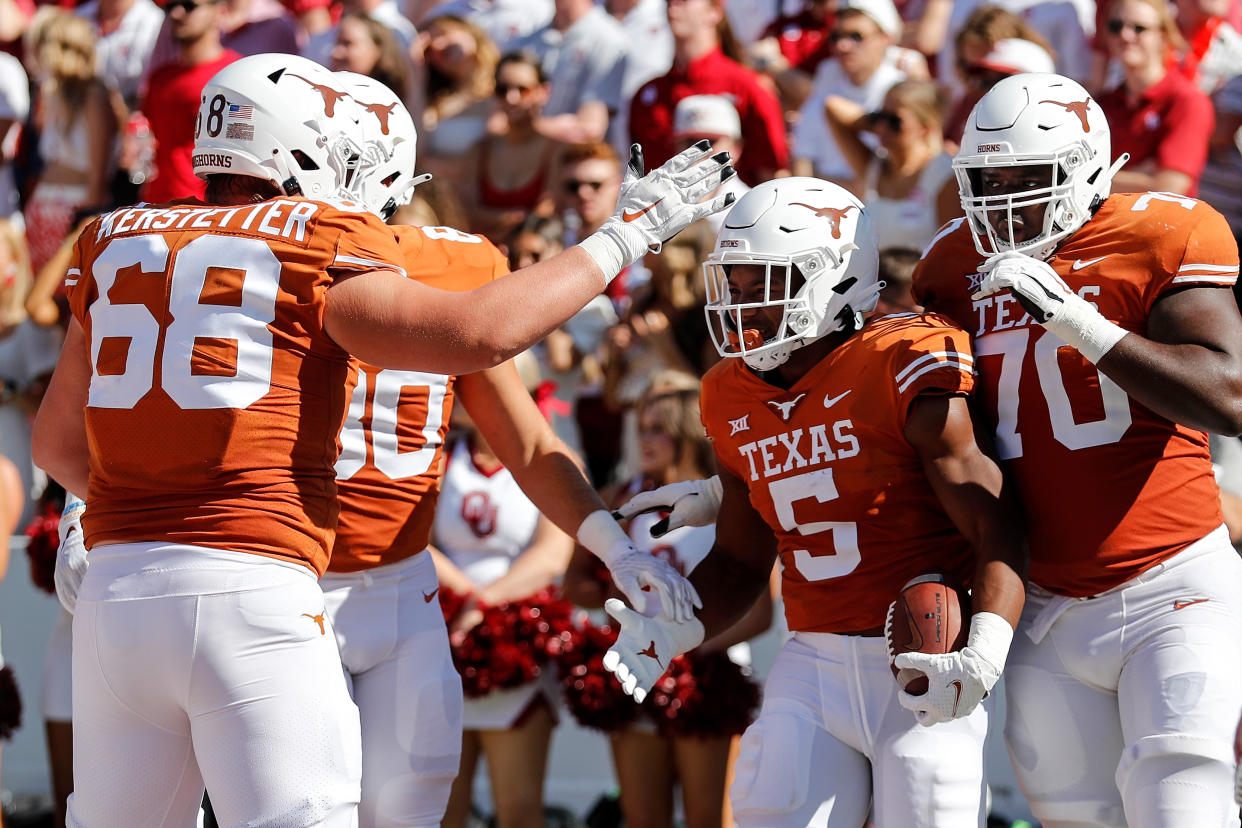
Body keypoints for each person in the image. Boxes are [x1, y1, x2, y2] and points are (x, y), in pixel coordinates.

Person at [31, 52, 729, 827]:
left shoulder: (116, 236)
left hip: (129, 594)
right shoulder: (319, 239)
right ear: (311, 154)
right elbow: (482, 332)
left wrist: (87, 511)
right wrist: (627, 236)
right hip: (262, 583)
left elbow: (60, 445)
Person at [323, 71, 707, 828]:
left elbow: (527, 439)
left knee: (412, 811)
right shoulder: (269, 255)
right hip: (295, 575)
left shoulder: (442, 260)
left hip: (399, 586)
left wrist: (611, 548)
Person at [605, 177, 1028, 826]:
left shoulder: (902, 357)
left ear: (833, 277)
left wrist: (987, 649)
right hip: (812, 657)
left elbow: (994, 523)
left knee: (929, 808)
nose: (743, 308)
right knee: (771, 808)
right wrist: (677, 627)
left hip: (922, 649)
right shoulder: (727, 392)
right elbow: (741, 562)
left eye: (765, 287)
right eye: (735, 287)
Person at [914, 71, 1242, 827]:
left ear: (1089, 167)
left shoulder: (1161, 231)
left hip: (1174, 585)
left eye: (1027, 178)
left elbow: (1229, 395)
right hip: (1046, 608)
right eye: (987, 178)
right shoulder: (949, 267)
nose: (1004, 198)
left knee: (1183, 808)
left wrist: (1081, 323)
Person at [563, 377, 771, 828]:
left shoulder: (731, 500)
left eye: (657, 428)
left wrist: (682, 647)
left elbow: (761, 613)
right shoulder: (625, 497)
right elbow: (575, 582)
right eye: (641, 428)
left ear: (685, 432)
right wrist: (620, 595)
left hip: (709, 672)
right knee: (643, 819)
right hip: (640, 663)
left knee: (709, 819)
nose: (645, 440)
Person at [432, 391, 573, 828]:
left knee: (519, 811)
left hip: (518, 644)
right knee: (439, 811)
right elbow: (412, 535)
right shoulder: (437, 456)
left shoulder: (553, 458)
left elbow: (553, 555)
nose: (455, 389)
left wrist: (482, 605)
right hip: (443, 637)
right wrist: (462, 600)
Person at [23, 10, 117, 273]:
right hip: (44, 208)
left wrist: (83, 226)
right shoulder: (49, 93)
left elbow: (99, 175)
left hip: (75, 209)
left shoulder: (93, 94)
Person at [824, 78, 959, 251]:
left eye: (894, 121)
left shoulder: (945, 175)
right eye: (879, 117)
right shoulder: (873, 167)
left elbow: (950, 252)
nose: (881, 127)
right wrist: (883, 125)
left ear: (926, 126)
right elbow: (832, 107)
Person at [1098, 0, 1215, 197]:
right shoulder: (1101, 104)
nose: (1125, 35)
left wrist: (1092, 179)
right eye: (1116, 26)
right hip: (1107, 224)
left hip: (1160, 225)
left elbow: (1169, 186)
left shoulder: (1187, 101)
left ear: (1163, 36)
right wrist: (1145, 174)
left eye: (1139, 28)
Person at [140, 0, 240, 203]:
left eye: (189, 5)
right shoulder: (160, 78)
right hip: (156, 206)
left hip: (208, 209)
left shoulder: (236, 75)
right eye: (170, 7)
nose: (176, 14)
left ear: (219, 12)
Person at [460, 50, 559, 244]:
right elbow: (464, 211)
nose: (511, 98)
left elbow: (547, 214)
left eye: (523, 89)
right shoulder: (480, 150)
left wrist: (492, 219)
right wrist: (515, 218)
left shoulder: (557, 150)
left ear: (543, 92)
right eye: (503, 89)